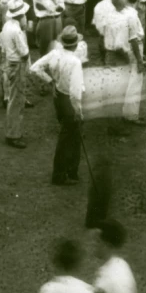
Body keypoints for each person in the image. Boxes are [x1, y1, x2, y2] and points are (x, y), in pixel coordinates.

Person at [30, 27, 86, 185]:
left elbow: (34, 68)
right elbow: (75, 93)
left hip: (58, 98)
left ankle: (70, 171)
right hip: (69, 100)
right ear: (75, 45)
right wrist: (79, 111)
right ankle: (62, 173)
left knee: (68, 135)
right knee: (70, 137)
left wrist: (50, 81)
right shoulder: (75, 62)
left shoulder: (55, 53)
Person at [0, 0, 31, 148]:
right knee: (16, 100)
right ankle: (13, 134)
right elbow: (24, 52)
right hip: (17, 64)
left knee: (14, 99)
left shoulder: (7, 25)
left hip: (10, 62)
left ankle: (14, 131)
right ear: (21, 14)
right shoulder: (16, 31)